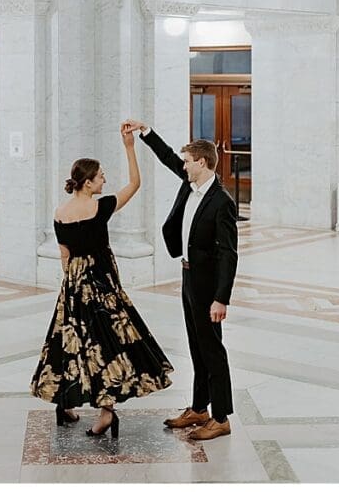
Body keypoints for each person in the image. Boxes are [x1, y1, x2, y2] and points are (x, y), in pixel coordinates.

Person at [31, 124, 173, 438]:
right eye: (101, 176)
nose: (104, 180)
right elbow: (135, 184)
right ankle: (107, 412)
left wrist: (71, 287)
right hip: (101, 283)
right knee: (109, 344)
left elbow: (65, 255)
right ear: (88, 182)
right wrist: (129, 147)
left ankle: (64, 403)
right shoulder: (99, 207)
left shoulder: (60, 212)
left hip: (74, 283)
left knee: (70, 342)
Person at [124, 119, 238, 441]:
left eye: (188, 161)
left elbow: (229, 254)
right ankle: (200, 408)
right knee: (196, 347)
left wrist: (221, 298)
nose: (183, 165)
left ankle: (221, 417)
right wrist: (145, 132)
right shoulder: (191, 184)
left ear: (201, 163)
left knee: (212, 350)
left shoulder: (222, 202)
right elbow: (167, 158)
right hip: (188, 276)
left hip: (207, 285)